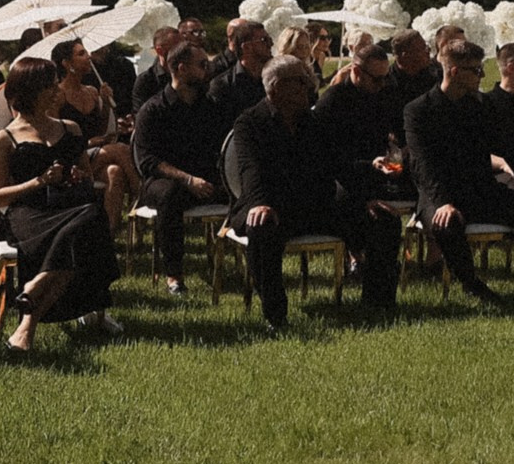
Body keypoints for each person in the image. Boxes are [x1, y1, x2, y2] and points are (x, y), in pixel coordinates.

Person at [228, 55, 402, 329]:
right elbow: (252, 169)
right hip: (271, 205)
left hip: (315, 205)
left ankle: (377, 303)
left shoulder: (312, 121)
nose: (308, 87)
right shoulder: (250, 123)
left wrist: (366, 198)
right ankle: (277, 316)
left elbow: (338, 164)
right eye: (300, 82)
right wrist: (260, 203)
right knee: (262, 229)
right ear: (276, 87)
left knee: (384, 220)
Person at [0, 57, 122, 352]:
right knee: (86, 228)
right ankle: (35, 318)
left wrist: (77, 176)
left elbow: (87, 176)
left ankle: (30, 311)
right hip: (28, 214)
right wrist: (39, 181)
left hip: (68, 206)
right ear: (29, 90)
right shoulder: (4, 138)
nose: (55, 90)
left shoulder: (71, 129)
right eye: (48, 85)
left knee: (87, 215)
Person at [406, 40, 514, 302]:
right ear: (454, 72)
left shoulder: (481, 107)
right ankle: (472, 285)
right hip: (439, 194)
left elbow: (511, 150)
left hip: (480, 191)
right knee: (446, 223)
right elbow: (423, 164)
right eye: (476, 70)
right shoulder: (419, 111)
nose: (483, 76)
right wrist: (443, 202)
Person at [129, 42, 232, 293]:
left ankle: (246, 263)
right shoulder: (152, 110)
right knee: (170, 195)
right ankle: (174, 276)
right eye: (202, 65)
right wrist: (187, 180)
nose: (208, 69)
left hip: (203, 179)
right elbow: (147, 162)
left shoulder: (210, 107)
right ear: (181, 68)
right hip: (163, 181)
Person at [50, 37, 140, 232]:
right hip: (70, 158)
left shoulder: (91, 91)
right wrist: (88, 143)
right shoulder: (57, 96)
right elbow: (54, 136)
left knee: (114, 172)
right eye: (81, 54)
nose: (88, 57)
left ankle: (108, 235)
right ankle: (141, 193)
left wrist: (106, 103)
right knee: (120, 149)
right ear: (67, 64)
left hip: (94, 155)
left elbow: (100, 129)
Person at [317, 41, 412, 199]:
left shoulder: (385, 93)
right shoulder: (333, 101)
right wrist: (370, 165)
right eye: (376, 79)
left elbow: (400, 125)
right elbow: (328, 157)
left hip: (383, 169)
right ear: (356, 71)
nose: (382, 84)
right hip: (345, 175)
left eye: (385, 77)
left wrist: (405, 148)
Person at [132, 25, 181, 108]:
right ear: (160, 50)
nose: (182, 50)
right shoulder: (146, 80)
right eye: (176, 47)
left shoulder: (188, 73)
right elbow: (141, 115)